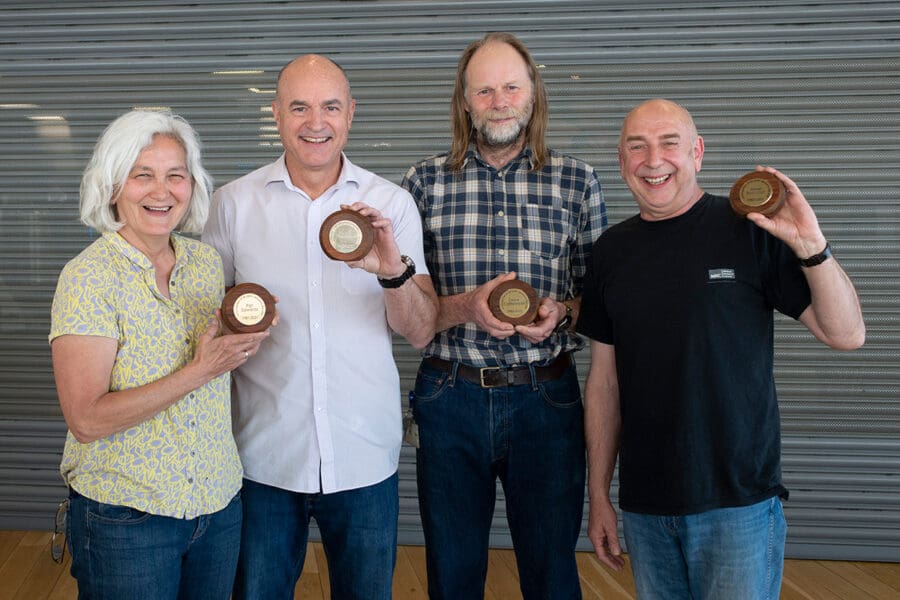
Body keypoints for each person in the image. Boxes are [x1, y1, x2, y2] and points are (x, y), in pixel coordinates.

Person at [578, 98, 866, 599]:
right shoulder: (610, 251)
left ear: (698, 153)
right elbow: (604, 382)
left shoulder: (748, 231)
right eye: (637, 146)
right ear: (621, 160)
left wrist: (812, 246)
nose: (653, 160)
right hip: (646, 506)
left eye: (670, 143)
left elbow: (846, 334)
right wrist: (599, 495)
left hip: (738, 505)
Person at [202, 54, 438, 600]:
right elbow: (202, 317)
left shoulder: (391, 204)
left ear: (350, 113)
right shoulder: (233, 204)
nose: (316, 122)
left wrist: (392, 274)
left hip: (363, 457)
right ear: (276, 115)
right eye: (300, 107)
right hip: (262, 457)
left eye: (330, 106)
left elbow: (421, 331)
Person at [401, 32, 606, 599]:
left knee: (552, 574)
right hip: (449, 397)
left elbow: (600, 302)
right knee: (453, 572)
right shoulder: (421, 184)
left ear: (533, 94)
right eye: (484, 90)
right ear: (464, 101)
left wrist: (561, 313)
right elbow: (406, 308)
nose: (499, 101)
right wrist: (463, 307)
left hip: (548, 399)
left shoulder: (578, 182)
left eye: (511, 87)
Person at [50, 110, 272, 599]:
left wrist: (241, 345)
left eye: (176, 175)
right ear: (112, 188)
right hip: (126, 517)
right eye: (142, 175)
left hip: (216, 505)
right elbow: (86, 419)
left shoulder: (206, 263)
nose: (162, 190)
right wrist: (200, 370)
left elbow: (217, 371)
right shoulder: (88, 278)